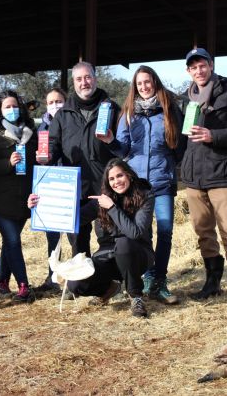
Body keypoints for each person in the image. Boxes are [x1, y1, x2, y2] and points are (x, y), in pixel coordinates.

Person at [28, 158, 154, 317]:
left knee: (124, 244)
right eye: (112, 179)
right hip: (108, 257)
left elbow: (135, 232)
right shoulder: (101, 201)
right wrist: (40, 205)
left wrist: (112, 208)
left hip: (137, 255)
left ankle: (136, 296)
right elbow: (71, 219)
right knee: (75, 284)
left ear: (129, 175)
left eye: (120, 176)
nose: (117, 182)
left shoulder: (144, 196)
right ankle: (109, 289)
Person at [181, 47, 227, 306]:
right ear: (188, 71)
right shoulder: (187, 99)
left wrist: (214, 136)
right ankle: (212, 282)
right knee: (203, 231)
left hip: (222, 173)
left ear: (211, 66)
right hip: (194, 176)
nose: (199, 70)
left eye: (202, 65)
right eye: (193, 67)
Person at [115, 66, 185, 305]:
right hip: (137, 184)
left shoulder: (169, 109)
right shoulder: (127, 113)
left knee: (165, 230)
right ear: (134, 87)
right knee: (142, 231)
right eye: (139, 84)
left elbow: (179, 144)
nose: (144, 87)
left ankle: (160, 279)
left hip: (162, 180)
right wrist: (110, 142)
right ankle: (146, 276)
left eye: (147, 82)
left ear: (155, 82)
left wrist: (168, 165)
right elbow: (122, 148)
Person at [48, 62, 121, 256]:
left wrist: (113, 143)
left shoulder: (113, 108)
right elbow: (52, 145)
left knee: (107, 238)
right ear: (74, 82)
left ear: (95, 78)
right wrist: (47, 157)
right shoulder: (63, 115)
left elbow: (123, 147)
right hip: (74, 189)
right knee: (78, 244)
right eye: (79, 79)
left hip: (105, 186)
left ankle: (109, 283)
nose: (84, 82)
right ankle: (83, 284)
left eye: (88, 77)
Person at [0, 89, 37, 302]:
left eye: (15, 106)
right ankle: (23, 285)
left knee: (10, 242)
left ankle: (2, 281)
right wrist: (7, 163)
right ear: (0, 110)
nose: (12, 110)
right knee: (13, 240)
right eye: (7, 106)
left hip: (23, 198)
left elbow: (34, 165)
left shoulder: (30, 132)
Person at [34, 87, 69, 293]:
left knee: (74, 234)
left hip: (70, 183)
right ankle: (53, 276)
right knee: (53, 235)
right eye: (51, 102)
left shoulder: (71, 123)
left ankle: (75, 278)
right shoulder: (42, 129)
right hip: (51, 185)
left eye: (59, 101)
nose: (55, 105)